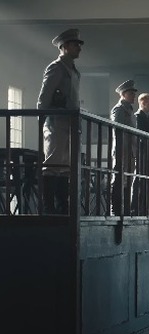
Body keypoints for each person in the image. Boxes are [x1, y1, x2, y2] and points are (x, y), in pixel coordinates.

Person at [37, 28, 83, 214]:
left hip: (69, 122)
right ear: (64, 47)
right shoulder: (56, 68)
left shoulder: (73, 70)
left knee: (65, 166)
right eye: (75, 44)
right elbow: (44, 96)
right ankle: (48, 208)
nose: (79, 48)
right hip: (56, 121)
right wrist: (43, 119)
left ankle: (63, 206)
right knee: (52, 164)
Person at [110, 79, 138, 215]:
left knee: (128, 179)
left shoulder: (130, 110)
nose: (134, 96)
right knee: (119, 178)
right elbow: (118, 129)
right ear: (123, 94)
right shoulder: (119, 109)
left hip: (130, 149)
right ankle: (115, 209)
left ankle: (126, 209)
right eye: (131, 93)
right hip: (122, 149)